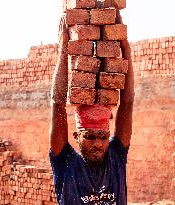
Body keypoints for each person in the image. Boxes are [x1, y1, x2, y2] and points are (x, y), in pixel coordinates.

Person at [49, 9, 134, 205]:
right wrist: (64, 49)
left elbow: (127, 102)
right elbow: (57, 104)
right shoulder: (66, 163)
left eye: (103, 137)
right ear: (76, 136)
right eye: (90, 136)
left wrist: (124, 45)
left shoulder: (116, 157)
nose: (98, 144)